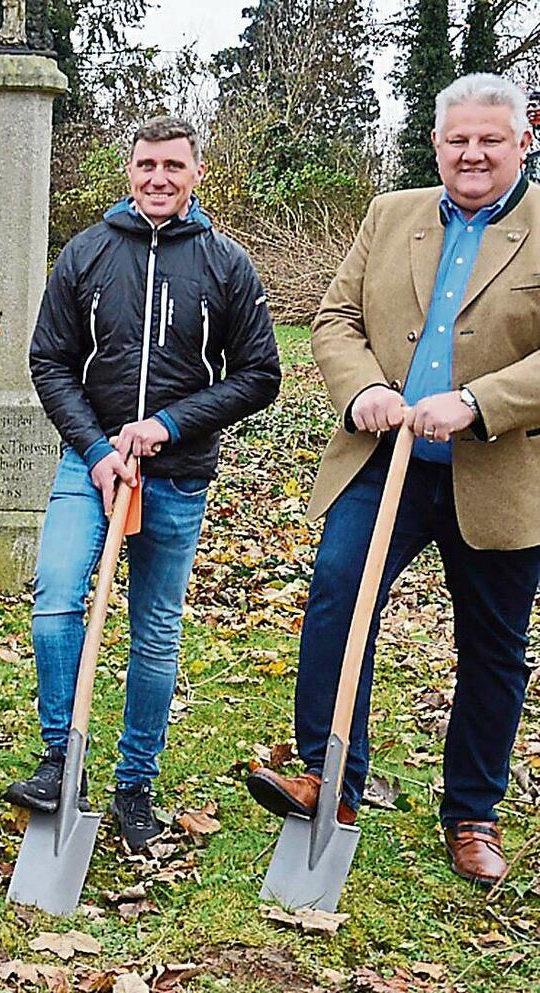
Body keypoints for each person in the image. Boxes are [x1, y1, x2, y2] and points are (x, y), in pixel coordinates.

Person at [245, 74, 540, 886]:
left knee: (493, 647)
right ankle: (328, 775)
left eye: (489, 139)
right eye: (457, 140)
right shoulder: (392, 214)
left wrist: (479, 400)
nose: (472, 153)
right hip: (387, 464)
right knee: (338, 598)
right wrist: (365, 387)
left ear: (523, 140)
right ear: (437, 145)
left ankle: (473, 811)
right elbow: (335, 317)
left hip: (501, 469)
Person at [4, 116, 281, 852]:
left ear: (197, 173)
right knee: (58, 596)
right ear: (128, 171)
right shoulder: (88, 251)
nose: (158, 177)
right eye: (146, 164)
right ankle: (62, 754)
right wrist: (95, 448)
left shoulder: (227, 264)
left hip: (176, 476)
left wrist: (167, 425)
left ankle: (135, 783)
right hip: (87, 467)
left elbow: (260, 375)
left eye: (174, 166)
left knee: (154, 630)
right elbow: (50, 361)